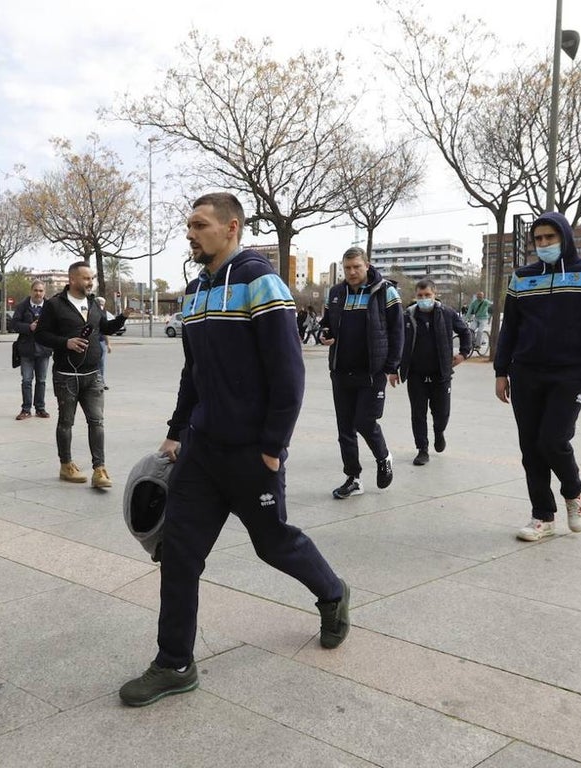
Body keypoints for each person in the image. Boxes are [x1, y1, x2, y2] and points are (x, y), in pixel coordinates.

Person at [119, 192, 348, 708]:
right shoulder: (197, 291)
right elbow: (193, 371)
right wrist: (178, 429)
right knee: (178, 555)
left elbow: (288, 372)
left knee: (273, 544)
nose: (191, 234)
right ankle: (174, 663)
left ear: (232, 227)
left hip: (251, 453)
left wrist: (273, 447)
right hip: (201, 451)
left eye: (200, 225)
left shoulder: (260, 282)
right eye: (189, 226)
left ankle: (333, 594)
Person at [494, 212, 581, 542]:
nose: (544, 244)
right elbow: (510, 329)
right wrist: (501, 371)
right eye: (538, 239)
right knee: (530, 447)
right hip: (526, 372)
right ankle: (542, 516)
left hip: (570, 373)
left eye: (550, 237)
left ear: (565, 237)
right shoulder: (522, 277)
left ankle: (573, 492)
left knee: (553, 440)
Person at [34, 261, 130, 489]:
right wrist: (65, 342)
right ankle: (66, 464)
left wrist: (123, 317)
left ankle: (100, 469)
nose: (90, 282)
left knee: (97, 422)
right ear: (73, 280)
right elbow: (41, 335)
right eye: (86, 278)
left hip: (93, 374)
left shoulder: (93, 303)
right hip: (66, 375)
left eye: (92, 278)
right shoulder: (55, 304)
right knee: (66, 422)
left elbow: (104, 329)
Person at [319, 246, 404, 499]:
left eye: (356, 266)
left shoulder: (385, 291)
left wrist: (392, 367)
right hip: (341, 371)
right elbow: (327, 325)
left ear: (367, 265)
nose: (352, 272)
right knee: (345, 428)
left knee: (364, 421)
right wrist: (325, 334)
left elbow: (397, 330)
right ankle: (353, 478)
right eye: (347, 268)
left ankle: (383, 457)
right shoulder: (335, 293)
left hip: (373, 372)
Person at [398, 279, 472, 465]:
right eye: (420, 296)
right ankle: (422, 449)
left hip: (441, 374)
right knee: (418, 413)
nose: (424, 299)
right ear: (416, 296)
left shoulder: (447, 313)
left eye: (427, 295)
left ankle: (439, 432)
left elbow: (465, 332)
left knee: (442, 413)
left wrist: (463, 353)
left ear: (435, 294)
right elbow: (397, 340)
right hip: (416, 375)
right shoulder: (408, 315)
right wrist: (394, 368)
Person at [10, 281, 53, 419]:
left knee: (41, 380)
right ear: (31, 291)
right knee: (27, 380)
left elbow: (56, 325)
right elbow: (14, 324)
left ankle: (40, 408)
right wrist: (29, 327)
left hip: (44, 349)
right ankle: (26, 409)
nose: (38, 293)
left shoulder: (50, 307)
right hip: (26, 349)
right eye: (35, 290)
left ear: (44, 292)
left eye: (41, 291)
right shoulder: (22, 307)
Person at [95, 295, 113, 390]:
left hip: (101, 340)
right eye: (100, 304)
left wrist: (108, 344)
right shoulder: (92, 312)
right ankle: (96, 382)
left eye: (103, 304)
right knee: (94, 362)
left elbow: (105, 329)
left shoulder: (104, 312)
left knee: (101, 362)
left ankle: (101, 382)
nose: (102, 305)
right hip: (93, 340)